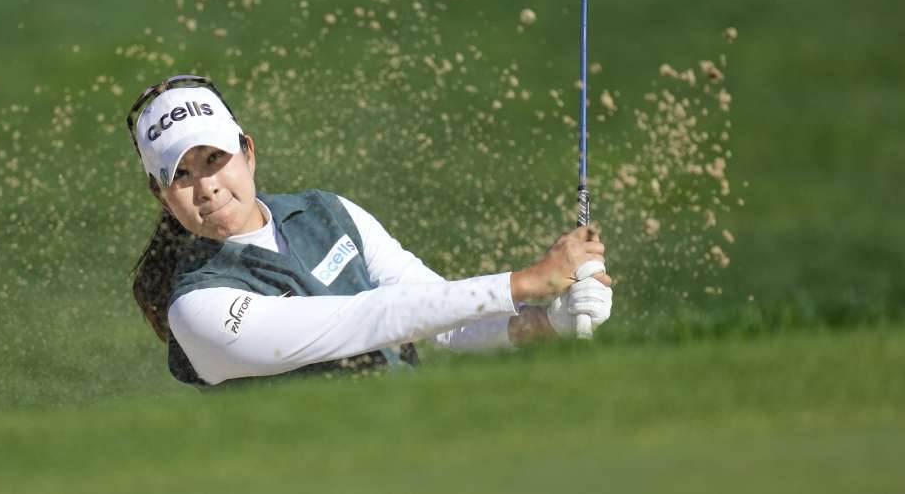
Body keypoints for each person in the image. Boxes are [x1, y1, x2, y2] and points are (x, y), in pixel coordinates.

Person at [127, 75, 613, 387]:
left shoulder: (326, 212)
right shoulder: (197, 307)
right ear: (160, 194)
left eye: (214, 159)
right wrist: (527, 281)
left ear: (248, 152)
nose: (207, 186)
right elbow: (366, 319)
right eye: (181, 175)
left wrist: (550, 322)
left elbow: (438, 319)